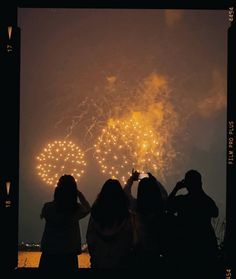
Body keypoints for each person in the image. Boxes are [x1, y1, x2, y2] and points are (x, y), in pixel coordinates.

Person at [166, 169, 219, 276]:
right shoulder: (206, 201)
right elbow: (215, 212)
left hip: (186, 248)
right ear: (200, 183)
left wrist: (176, 188)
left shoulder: (183, 201)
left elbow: (167, 206)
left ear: (186, 184)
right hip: (206, 248)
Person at [39, 174, 91, 271]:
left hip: (49, 254)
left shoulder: (48, 207)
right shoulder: (76, 210)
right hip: (69, 255)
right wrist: (78, 193)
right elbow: (88, 208)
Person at [124, 170, 168, 269]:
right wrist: (153, 179)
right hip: (158, 252)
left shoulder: (136, 207)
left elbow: (125, 194)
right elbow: (164, 193)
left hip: (140, 252)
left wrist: (131, 179)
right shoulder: (160, 206)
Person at [86, 179, 133, 268]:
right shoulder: (126, 216)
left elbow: (90, 237)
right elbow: (130, 238)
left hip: (99, 262)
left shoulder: (95, 215)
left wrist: (95, 256)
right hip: (121, 262)